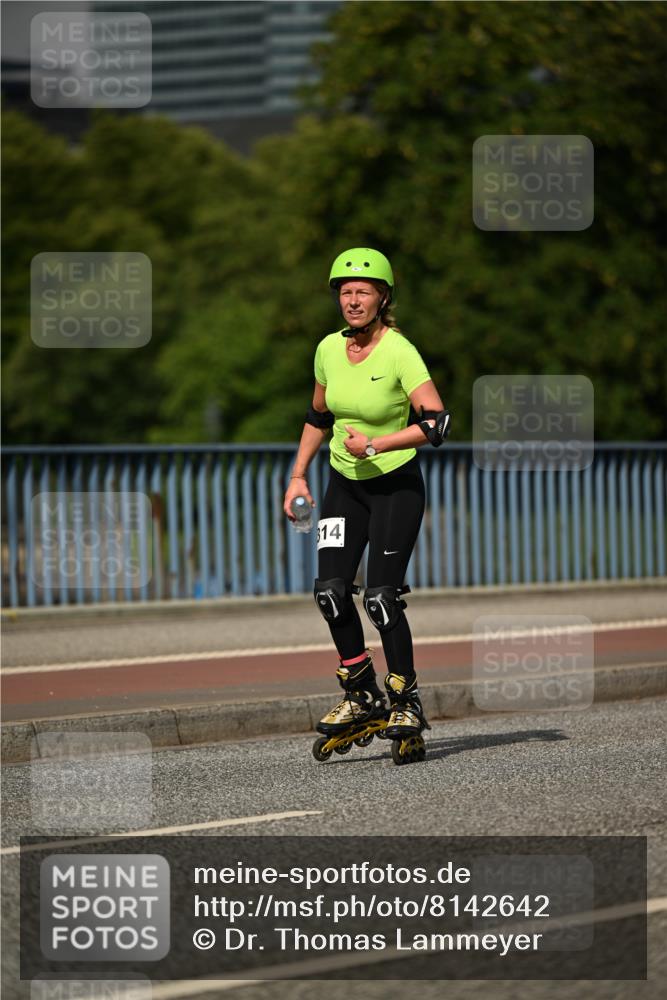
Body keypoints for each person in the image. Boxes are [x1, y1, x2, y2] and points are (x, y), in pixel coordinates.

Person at [283, 247, 450, 761]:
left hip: (395, 487)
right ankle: (360, 694)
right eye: (345, 292)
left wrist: (377, 445)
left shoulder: (400, 351)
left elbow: (436, 424)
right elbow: (318, 417)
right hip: (344, 485)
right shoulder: (328, 350)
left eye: (363, 291)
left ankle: (405, 699)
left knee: (379, 597)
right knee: (330, 591)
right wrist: (296, 477)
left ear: (383, 297)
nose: (353, 301)